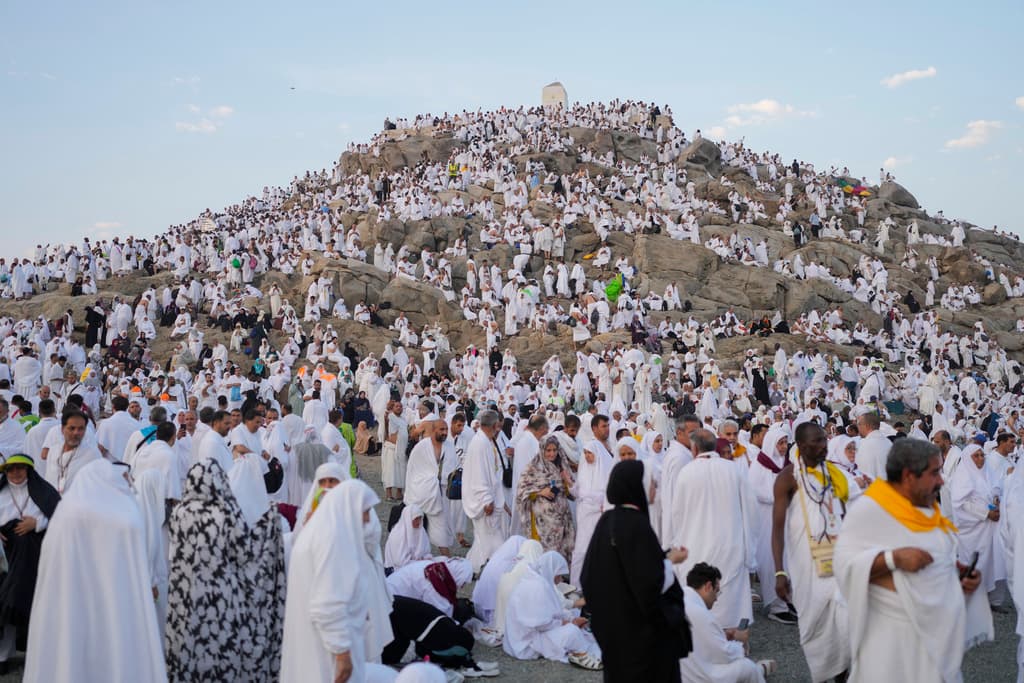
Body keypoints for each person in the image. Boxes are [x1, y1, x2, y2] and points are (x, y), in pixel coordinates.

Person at [834, 438, 990, 682]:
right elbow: (843, 567)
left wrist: (958, 578)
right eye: (934, 473)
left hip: (935, 649)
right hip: (891, 648)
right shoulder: (870, 510)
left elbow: (934, 563)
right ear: (908, 476)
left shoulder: (928, 509)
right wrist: (892, 558)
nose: (942, 480)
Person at [24, 459, 167, 682]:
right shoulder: (124, 517)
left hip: (71, 601)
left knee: (70, 654)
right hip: (117, 603)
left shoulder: (66, 515)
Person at [582, 459, 692, 682]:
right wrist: (669, 563)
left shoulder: (607, 520)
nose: (655, 488)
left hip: (613, 631)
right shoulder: (637, 525)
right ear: (637, 486)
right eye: (651, 483)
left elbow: (591, 575)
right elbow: (650, 582)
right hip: (640, 637)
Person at [281, 479, 395, 683]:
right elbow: (326, 603)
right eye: (365, 511)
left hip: (319, 641)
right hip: (327, 650)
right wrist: (343, 654)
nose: (368, 519)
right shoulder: (331, 538)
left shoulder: (321, 530)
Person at [771, 423, 852, 681]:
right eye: (818, 441)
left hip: (838, 560)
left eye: (825, 440)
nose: (824, 446)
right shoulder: (787, 478)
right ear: (803, 446)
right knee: (815, 627)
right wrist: (779, 572)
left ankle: (844, 674)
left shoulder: (834, 474)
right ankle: (829, 672)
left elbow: (848, 511)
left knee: (846, 623)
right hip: (806, 565)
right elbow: (777, 527)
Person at [670, 429, 756, 628]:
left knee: (702, 595)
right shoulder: (732, 470)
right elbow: (750, 509)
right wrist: (749, 544)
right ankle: (739, 641)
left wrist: (677, 542)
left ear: (695, 448)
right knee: (733, 599)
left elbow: (677, 514)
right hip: (731, 542)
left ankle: (706, 640)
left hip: (696, 544)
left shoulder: (686, 473)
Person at [0, 454, 59, 674]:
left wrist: (38, 523)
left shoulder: (45, 493)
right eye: (11, 469)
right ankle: (3, 656)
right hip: (4, 559)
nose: (15, 473)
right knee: (5, 604)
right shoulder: (1, 492)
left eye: (20, 469)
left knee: (31, 604)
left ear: (29, 471)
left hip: (35, 559)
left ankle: (37, 654)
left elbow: (60, 517)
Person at [504, 550, 602, 670]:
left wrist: (571, 619)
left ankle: (582, 650)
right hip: (526, 643)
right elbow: (541, 624)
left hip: (529, 635)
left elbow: (554, 610)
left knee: (574, 621)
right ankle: (582, 654)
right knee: (572, 632)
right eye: (559, 575)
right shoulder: (537, 587)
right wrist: (569, 623)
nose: (560, 579)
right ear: (552, 570)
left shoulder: (538, 580)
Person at [680, 562, 775, 682]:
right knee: (745, 666)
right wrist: (739, 642)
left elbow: (697, 638)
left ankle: (759, 670)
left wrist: (723, 634)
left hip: (671, 672)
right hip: (694, 678)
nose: (716, 598)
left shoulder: (676, 599)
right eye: (717, 591)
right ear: (708, 587)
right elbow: (724, 656)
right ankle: (757, 671)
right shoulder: (702, 614)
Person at [462, 410, 509, 573]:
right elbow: (479, 475)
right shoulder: (480, 443)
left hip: (489, 498)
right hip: (483, 501)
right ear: (495, 425)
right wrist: (487, 500)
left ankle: (476, 566)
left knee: (484, 538)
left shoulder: (485, 441)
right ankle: (487, 569)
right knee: (489, 538)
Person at [516, 435, 575, 560]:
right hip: (543, 521)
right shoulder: (533, 467)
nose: (552, 454)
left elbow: (572, 492)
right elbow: (522, 489)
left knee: (561, 551)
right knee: (546, 552)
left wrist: (566, 480)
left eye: (554, 450)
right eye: (548, 450)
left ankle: (558, 577)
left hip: (562, 517)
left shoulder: (562, 465)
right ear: (542, 450)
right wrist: (540, 492)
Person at [571, 414, 613, 586]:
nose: (607, 429)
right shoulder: (588, 456)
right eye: (603, 426)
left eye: (607, 425)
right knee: (583, 548)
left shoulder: (607, 456)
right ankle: (578, 586)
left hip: (602, 511)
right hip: (587, 512)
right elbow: (582, 488)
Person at [403, 417, 453, 555]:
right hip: (420, 494)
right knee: (415, 532)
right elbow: (413, 471)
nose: (444, 432)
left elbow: (453, 470)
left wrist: (441, 480)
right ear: (433, 430)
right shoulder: (421, 447)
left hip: (440, 496)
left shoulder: (449, 447)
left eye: (446, 429)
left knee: (441, 534)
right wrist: (430, 481)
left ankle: (447, 563)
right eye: (441, 429)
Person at [43, 410, 101, 494]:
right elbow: (49, 480)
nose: (76, 433)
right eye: (72, 428)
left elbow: (96, 486)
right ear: (63, 429)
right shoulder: (53, 451)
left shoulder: (93, 455)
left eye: (81, 429)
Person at [384, 504, 432, 571]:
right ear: (408, 519)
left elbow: (427, 552)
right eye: (416, 519)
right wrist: (420, 562)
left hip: (415, 564)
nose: (419, 521)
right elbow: (399, 561)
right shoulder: (397, 534)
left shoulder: (421, 531)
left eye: (420, 518)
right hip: (395, 569)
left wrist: (425, 558)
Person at [854, 412, 890, 481]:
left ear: (866, 426)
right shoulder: (888, 442)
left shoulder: (864, 445)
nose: (857, 427)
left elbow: (863, 474)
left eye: (858, 424)